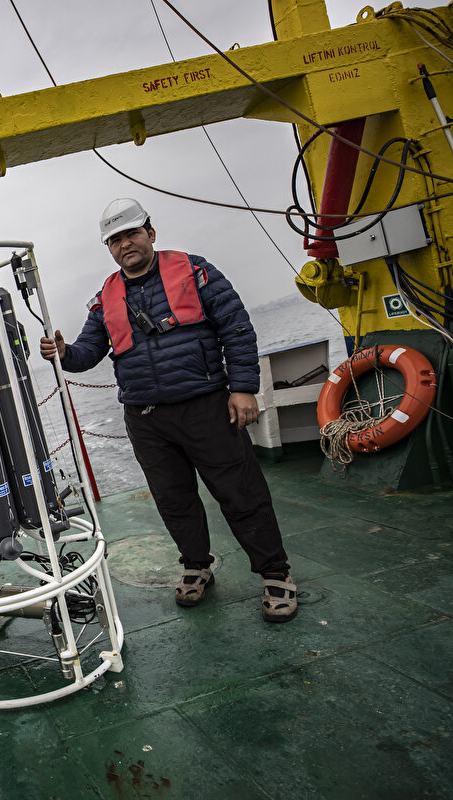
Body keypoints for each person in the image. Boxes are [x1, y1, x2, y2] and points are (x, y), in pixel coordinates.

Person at [39, 198, 297, 623]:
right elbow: (88, 352)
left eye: (132, 234)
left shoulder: (196, 271)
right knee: (174, 500)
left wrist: (243, 389)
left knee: (241, 493)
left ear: (151, 233)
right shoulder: (104, 299)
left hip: (207, 406)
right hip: (147, 419)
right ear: (109, 248)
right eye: (115, 240)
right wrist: (65, 353)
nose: (126, 244)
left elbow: (236, 328)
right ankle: (196, 565)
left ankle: (275, 573)